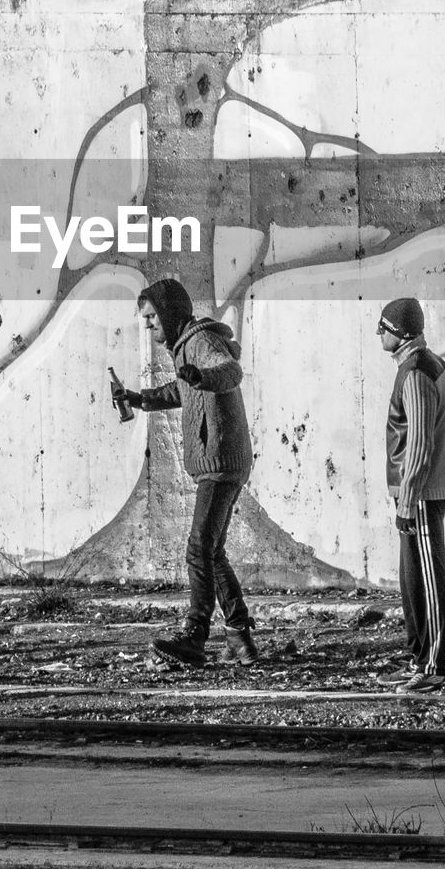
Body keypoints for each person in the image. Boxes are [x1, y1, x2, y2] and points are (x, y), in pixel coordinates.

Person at [111, 278, 256, 668]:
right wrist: (140, 399)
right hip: (221, 461)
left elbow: (229, 372)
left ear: (169, 313)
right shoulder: (185, 347)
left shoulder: (200, 343)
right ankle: (240, 638)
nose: (147, 324)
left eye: (152, 316)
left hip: (220, 462)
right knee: (213, 552)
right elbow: (182, 390)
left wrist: (202, 376)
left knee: (198, 549)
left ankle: (195, 635)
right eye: (145, 318)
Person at [376, 298, 445, 695]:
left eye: (384, 327)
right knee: (413, 582)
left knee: (427, 580)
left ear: (402, 334)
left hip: (420, 495)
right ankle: (419, 659)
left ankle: (434, 666)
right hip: (416, 494)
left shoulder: (417, 373)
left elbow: (420, 445)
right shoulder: (422, 365)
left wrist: (408, 500)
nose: (379, 333)